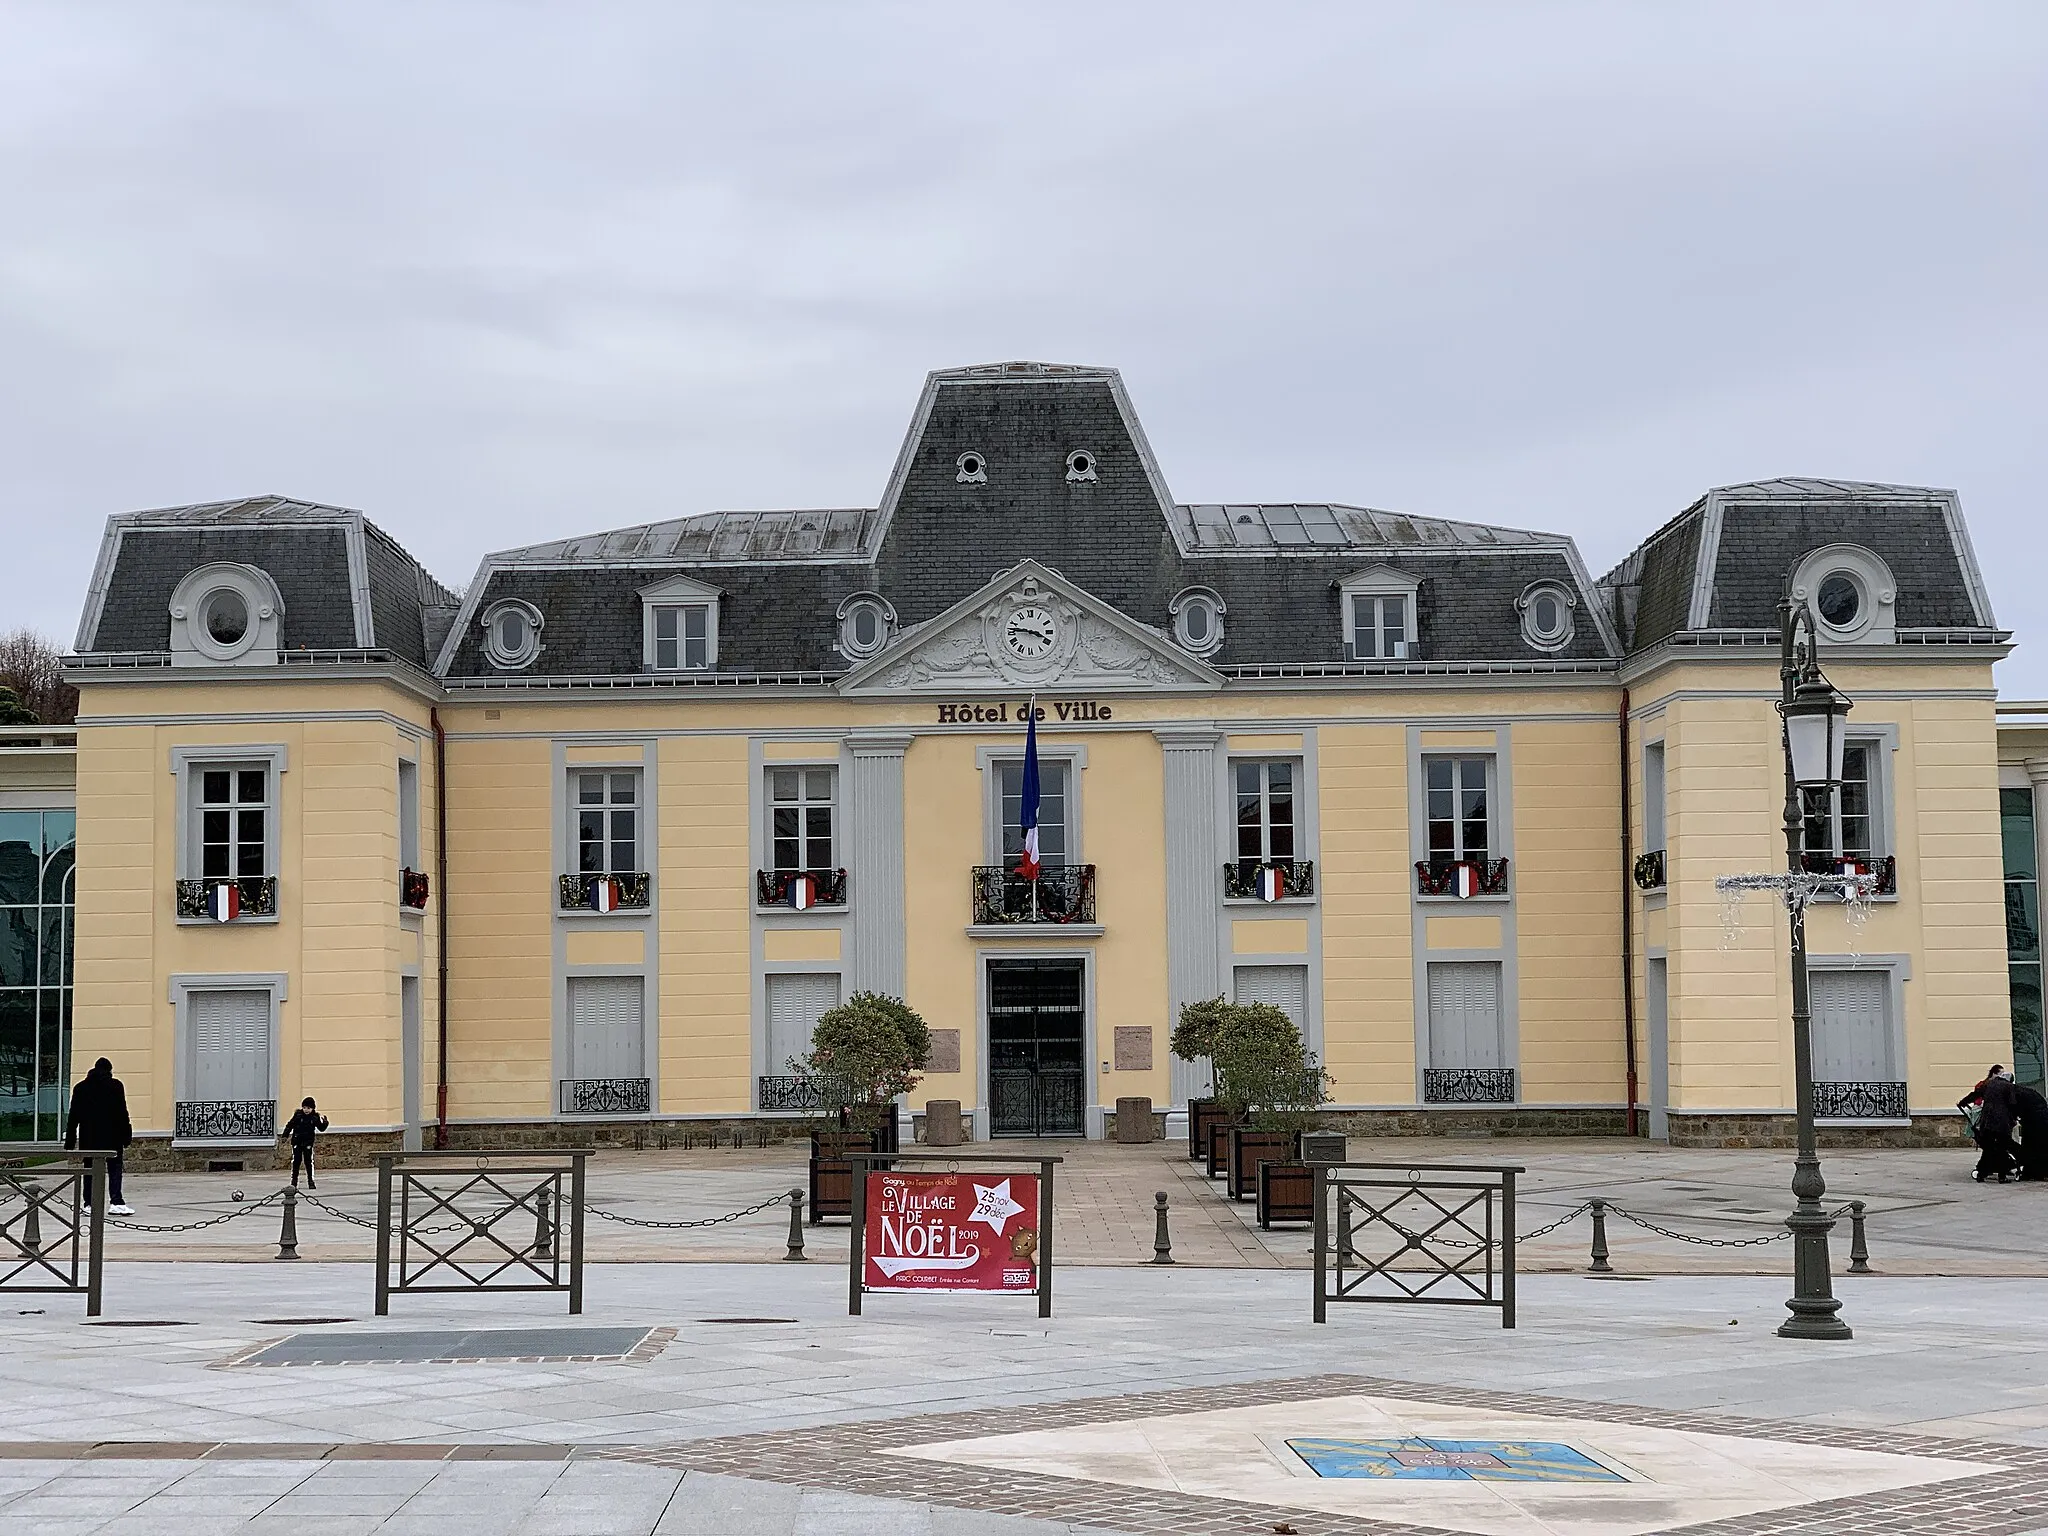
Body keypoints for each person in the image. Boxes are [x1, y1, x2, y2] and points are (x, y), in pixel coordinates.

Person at [63, 1057, 134, 1216]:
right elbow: (122, 1113)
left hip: (89, 1137)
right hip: (112, 1137)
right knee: (115, 1170)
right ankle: (116, 1202)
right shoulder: (116, 1086)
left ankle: (89, 1204)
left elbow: (73, 1116)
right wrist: (126, 1135)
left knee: (89, 1170)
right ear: (109, 1070)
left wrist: (70, 1140)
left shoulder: (80, 1088)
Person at [1959, 1066, 2019, 1184]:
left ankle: (1981, 1174)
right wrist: (2015, 1118)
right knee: (2002, 1148)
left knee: (1988, 1148)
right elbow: (2012, 1104)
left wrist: (1963, 1102)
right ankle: (2002, 1177)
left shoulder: (1989, 1084)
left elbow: (1975, 1094)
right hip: (2002, 1123)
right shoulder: (2009, 1087)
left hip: (1986, 1122)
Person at [279, 1097, 329, 1189]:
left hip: (308, 1142)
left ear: (312, 1108)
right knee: (296, 1162)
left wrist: (325, 1123)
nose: (306, 1110)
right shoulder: (298, 1115)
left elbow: (321, 1128)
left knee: (308, 1162)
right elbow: (289, 1125)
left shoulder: (314, 1117)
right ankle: (294, 1182)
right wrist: (285, 1136)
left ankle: (310, 1181)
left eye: (308, 1108)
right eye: (305, 1107)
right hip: (297, 1141)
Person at [2013, 1080, 2048, 1182]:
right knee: (2040, 1147)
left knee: (2032, 1146)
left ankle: (2033, 1172)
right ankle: (2038, 1172)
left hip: (2034, 1122)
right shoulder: (2027, 1092)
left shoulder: (2015, 1095)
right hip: (2040, 1120)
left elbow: (2015, 1110)